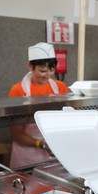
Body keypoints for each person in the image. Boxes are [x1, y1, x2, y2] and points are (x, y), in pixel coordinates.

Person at [8, 42, 69, 170]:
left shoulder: (60, 88)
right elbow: (16, 133)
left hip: (56, 151)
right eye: (42, 71)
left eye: (51, 70)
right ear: (30, 66)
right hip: (27, 155)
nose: (47, 75)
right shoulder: (18, 91)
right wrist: (42, 144)